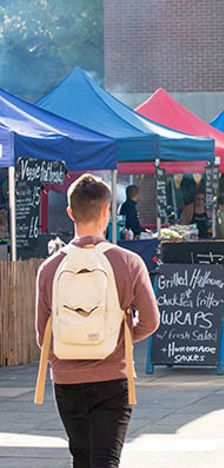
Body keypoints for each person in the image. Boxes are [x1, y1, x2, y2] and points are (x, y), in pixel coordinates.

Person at [35, 174, 159, 466]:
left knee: (81, 457)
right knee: (105, 460)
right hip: (113, 376)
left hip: (66, 379)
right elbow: (151, 320)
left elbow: (43, 336)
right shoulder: (128, 262)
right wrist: (118, 337)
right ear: (107, 211)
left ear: (70, 212)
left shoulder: (50, 268)